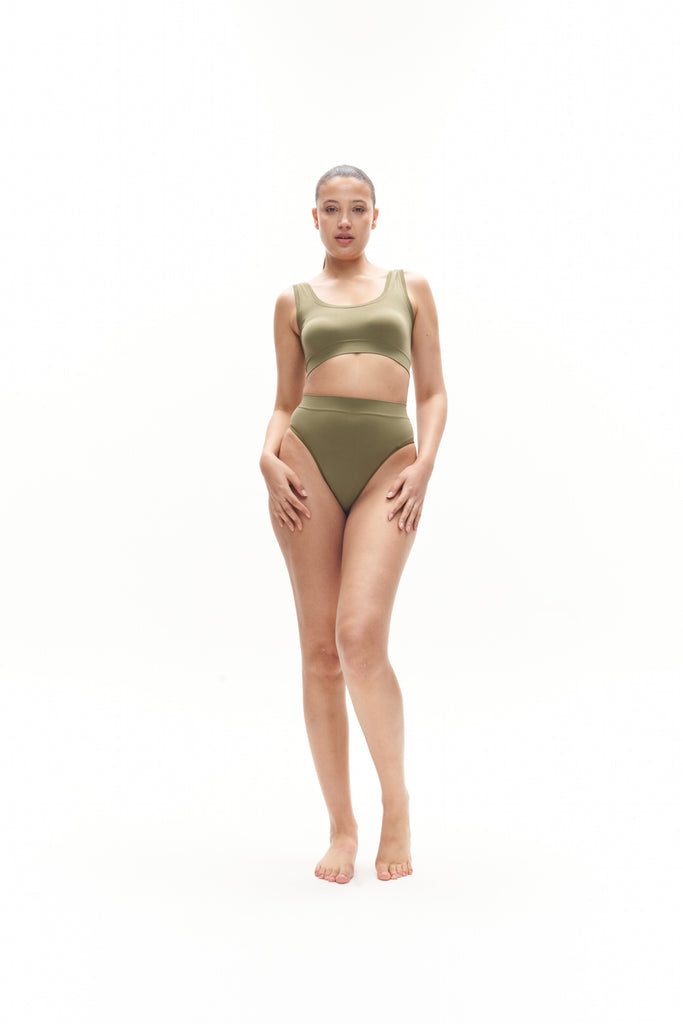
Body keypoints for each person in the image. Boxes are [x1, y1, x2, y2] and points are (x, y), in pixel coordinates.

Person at [259, 164, 447, 883]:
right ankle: (341, 826)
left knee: (360, 640)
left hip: (388, 466)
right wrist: (267, 456)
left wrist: (424, 464)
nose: (344, 221)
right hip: (303, 460)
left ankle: (395, 804)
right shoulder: (293, 300)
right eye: (331, 209)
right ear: (314, 218)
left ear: (375, 215)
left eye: (357, 208)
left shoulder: (410, 288)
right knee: (320, 653)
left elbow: (432, 392)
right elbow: (284, 400)